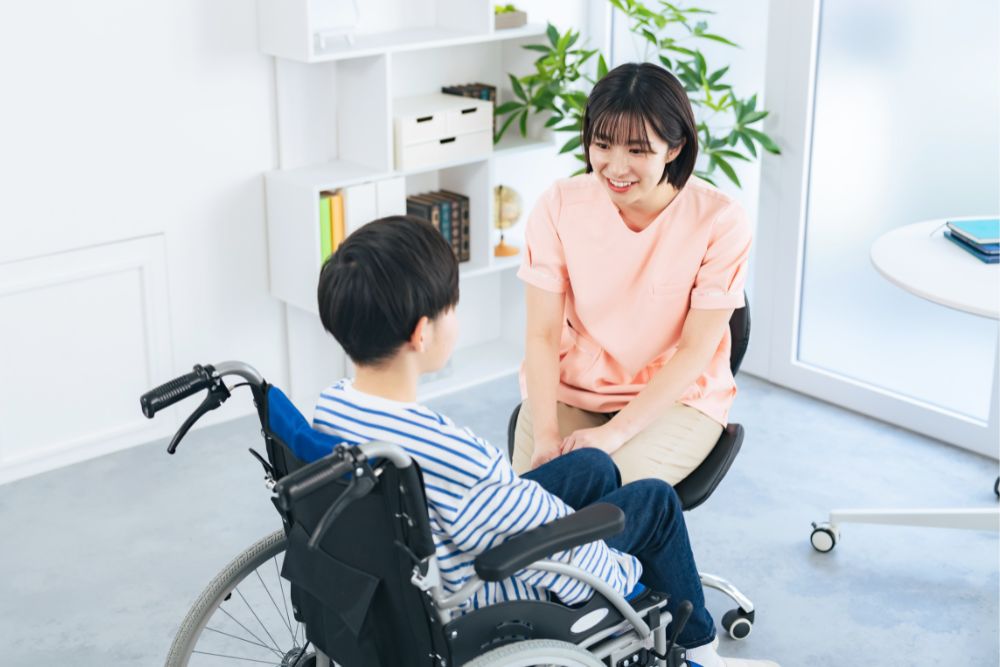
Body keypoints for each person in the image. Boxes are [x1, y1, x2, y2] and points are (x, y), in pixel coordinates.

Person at [312, 215, 777, 667]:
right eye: (452, 306)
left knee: (592, 464)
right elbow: (542, 544)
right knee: (653, 502)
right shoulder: (457, 455)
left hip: (416, 565)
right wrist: (623, 578)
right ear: (422, 332)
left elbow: (508, 508)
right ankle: (699, 652)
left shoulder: (331, 408)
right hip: (484, 594)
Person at [513, 62, 752, 485]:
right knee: (530, 499)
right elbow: (542, 335)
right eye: (602, 145)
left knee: (600, 496)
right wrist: (546, 436)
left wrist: (614, 433)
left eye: (638, 151)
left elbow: (696, 350)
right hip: (575, 388)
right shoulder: (560, 205)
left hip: (678, 397)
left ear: (674, 149)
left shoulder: (720, 221)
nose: (615, 167)